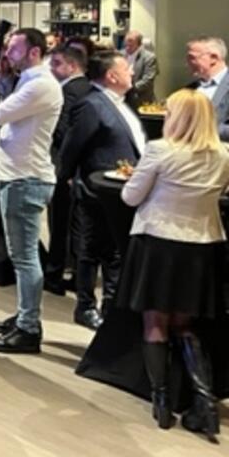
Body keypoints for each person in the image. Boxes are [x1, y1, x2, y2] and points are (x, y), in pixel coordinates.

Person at [118, 89, 229, 439]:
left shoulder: (160, 150)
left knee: (155, 322)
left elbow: (130, 196)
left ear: (177, 118)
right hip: (202, 247)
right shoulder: (224, 155)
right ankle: (204, 400)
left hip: (158, 243)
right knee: (185, 325)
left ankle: (162, 401)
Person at [0, 28, 62, 354]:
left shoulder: (40, 84)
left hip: (25, 178)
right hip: (20, 176)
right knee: (22, 256)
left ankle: (29, 327)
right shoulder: (30, 80)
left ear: (34, 51)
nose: (7, 53)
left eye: (15, 48)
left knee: (24, 258)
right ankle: (24, 314)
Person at [56, 50, 146, 330]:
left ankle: (111, 303)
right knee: (91, 249)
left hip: (121, 189)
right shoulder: (92, 105)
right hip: (96, 189)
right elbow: (72, 145)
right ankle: (85, 306)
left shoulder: (120, 103)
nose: (132, 72)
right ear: (111, 75)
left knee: (114, 251)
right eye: (126, 68)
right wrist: (68, 177)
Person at [44, 45, 91, 296]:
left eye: (56, 64)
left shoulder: (69, 91)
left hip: (66, 166)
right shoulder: (91, 88)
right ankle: (77, 276)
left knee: (60, 222)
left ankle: (54, 275)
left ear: (71, 66)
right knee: (77, 224)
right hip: (82, 167)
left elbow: (63, 131)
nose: (51, 69)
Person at [185, 36, 229, 141]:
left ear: (213, 58)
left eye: (192, 58)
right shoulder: (190, 89)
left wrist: (203, 131)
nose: (187, 63)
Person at [123, 31, 158, 105]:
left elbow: (148, 80)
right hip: (122, 98)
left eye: (131, 41)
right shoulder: (120, 55)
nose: (128, 43)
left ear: (139, 44)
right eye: (126, 41)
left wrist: (130, 88)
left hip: (139, 99)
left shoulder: (149, 58)